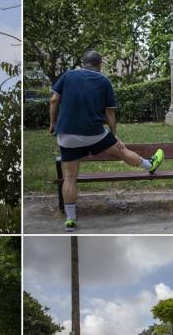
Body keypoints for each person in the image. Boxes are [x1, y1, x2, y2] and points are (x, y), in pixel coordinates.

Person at [49, 49, 165, 232]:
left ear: (82, 62)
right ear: (100, 64)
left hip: (67, 134)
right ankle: (148, 165)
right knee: (121, 150)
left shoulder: (68, 76)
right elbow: (110, 112)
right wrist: (114, 134)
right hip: (94, 133)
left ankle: (70, 220)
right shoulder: (104, 81)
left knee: (70, 177)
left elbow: (54, 100)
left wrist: (53, 123)